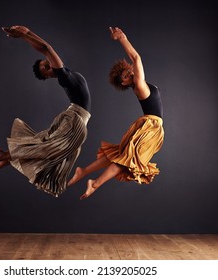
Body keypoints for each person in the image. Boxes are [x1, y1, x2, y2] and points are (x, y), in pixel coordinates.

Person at [0, 26, 91, 197]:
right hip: (75, 120)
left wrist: (28, 32)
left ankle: (7, 157)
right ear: (47, 75)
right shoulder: (63, 77)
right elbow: (46, 49)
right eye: (46, 67)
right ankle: (5, 155)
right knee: (48, 149)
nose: (48, 63)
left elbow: (47, 49)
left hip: (75, 119)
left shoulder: (66, 73)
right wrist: (24, 36)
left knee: (49, 150)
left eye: (46, 63)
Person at [68, 27, 164, 200]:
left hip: (149, 127)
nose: (129, 73)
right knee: (128, 161)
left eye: (128, 70)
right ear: (125, 83)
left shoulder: (141, 84)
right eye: (125, 76)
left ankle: (84, 171)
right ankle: (94, 183)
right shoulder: (139, 86)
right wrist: (122, 38)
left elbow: (134, 63)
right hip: (150, 127)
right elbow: (136, 58)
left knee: (122, 155)